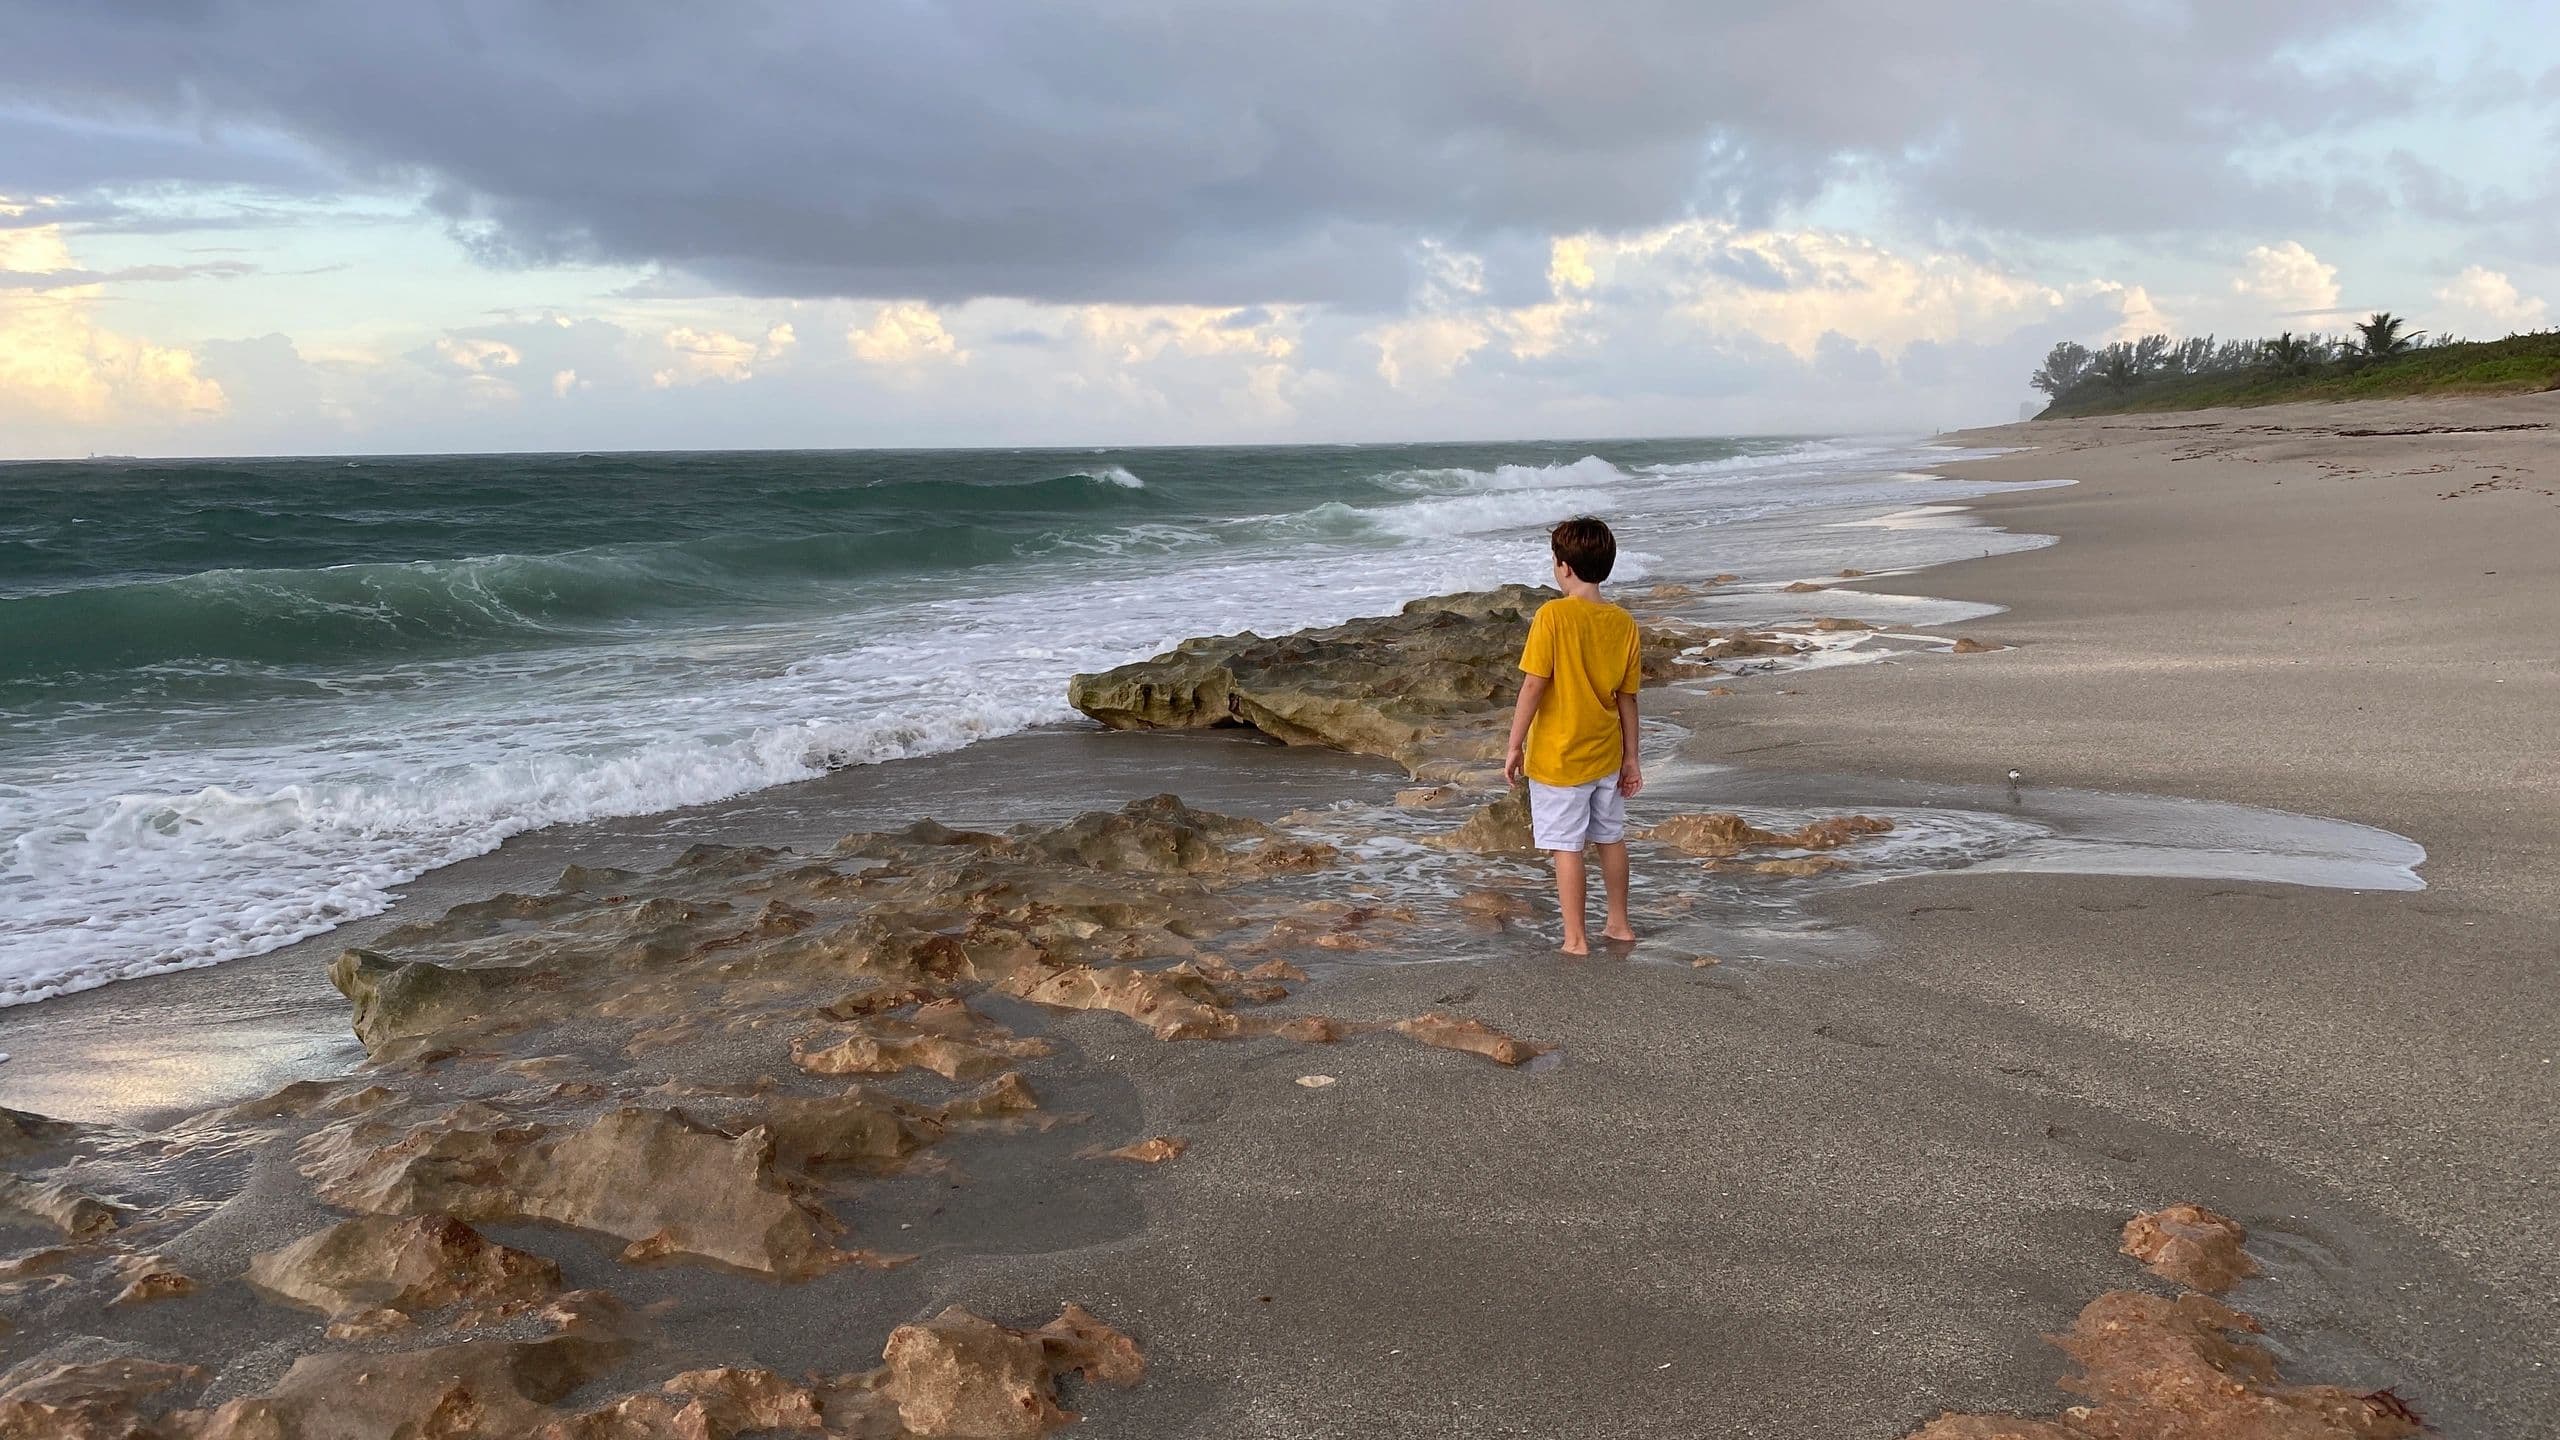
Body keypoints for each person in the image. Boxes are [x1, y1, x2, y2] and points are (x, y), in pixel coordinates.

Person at [1502, 516, 1643, 955]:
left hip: (1560, 759)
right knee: (1610, 838)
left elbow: (1533, 685)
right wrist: (1632, 758)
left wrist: (1513, 745)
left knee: (1567, 848)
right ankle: (1618, 924)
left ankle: (1575, 938)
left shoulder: (1552, 616)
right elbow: (1628, 699)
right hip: (1606, 753)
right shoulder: (1623, 623)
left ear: (1563, 567)